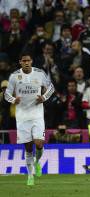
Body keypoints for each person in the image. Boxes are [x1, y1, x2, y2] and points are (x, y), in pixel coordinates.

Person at [4, 52, 54, 185]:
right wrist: (14, 99)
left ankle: (37, 163)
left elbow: (51, 88)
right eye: (24, 61)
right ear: (20, 62)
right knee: (28, 148)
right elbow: (6, 94)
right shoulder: (14, 76)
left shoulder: (39, 73)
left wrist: (44, 97)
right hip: (22, 117)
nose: (26, 63)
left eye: (28, 60)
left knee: (39, 144)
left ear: (31, 61)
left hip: (37, 115)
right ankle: (30, 176)